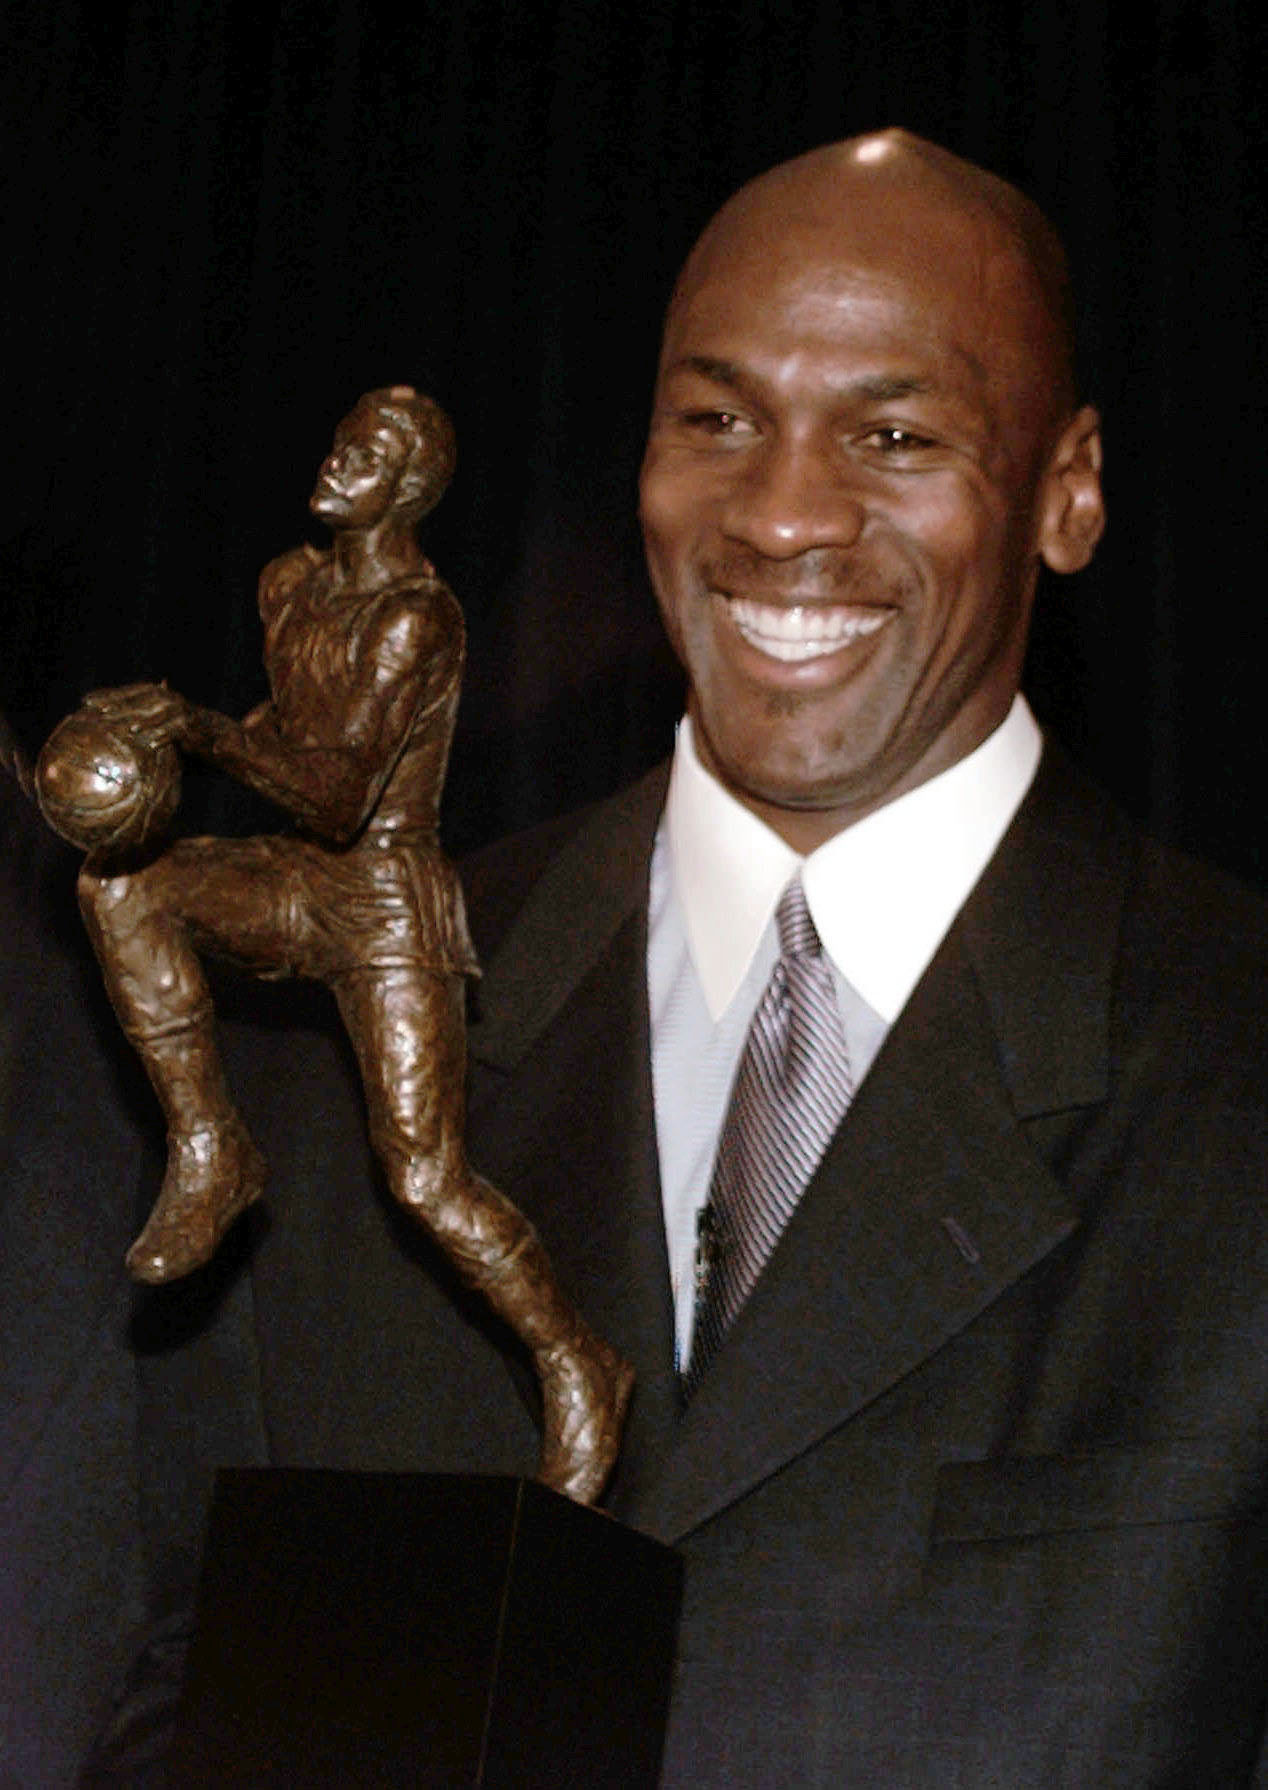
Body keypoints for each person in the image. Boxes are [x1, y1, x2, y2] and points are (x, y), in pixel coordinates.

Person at [91, 136, 1268, 1783]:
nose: (780, 514)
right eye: (715, 420)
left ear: (1065, 493)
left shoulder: (1228, 1064)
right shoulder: (297, 1048)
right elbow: (163, 1695)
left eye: (895, 433)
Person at [69, 386, 630, 1506]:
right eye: (338, 441)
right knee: (121, 883)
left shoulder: (419, 618)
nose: (335, 462)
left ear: (410, 486)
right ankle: (211, 1145)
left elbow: (336, 794)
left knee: (424, 1176)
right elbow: (293, 737)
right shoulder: (289, 580)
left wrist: (200, 731)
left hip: (383, 898)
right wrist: (149, 743)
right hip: (300, 878)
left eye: (365, 453)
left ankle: (578, 1360)